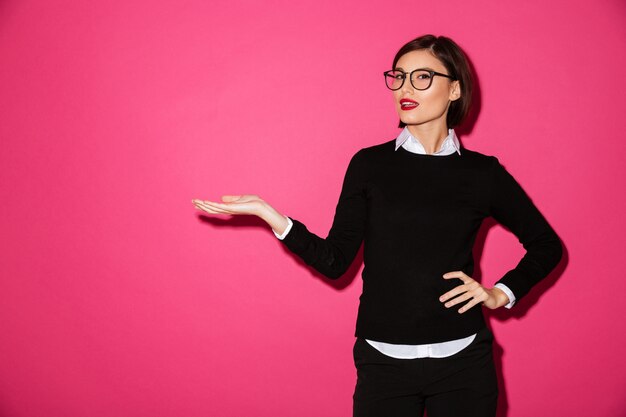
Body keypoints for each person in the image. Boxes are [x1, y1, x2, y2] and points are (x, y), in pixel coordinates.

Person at [192, 34, 563, 417]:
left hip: (465, 362)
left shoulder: (482, 173)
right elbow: (335, 261)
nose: (405, 87)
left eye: (423, 77)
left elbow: (546, 245)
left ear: (454, 89)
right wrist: (272, 216)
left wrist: (501, 293)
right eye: (399, 76)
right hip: (383, 364)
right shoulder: (369, 165)